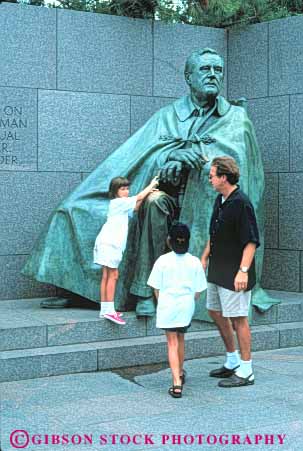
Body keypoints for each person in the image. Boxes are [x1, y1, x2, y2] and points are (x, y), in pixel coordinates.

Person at [23, 48, 278, 320]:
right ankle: (103, 290)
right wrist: (169, 156)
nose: (213, 75)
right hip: (163, 192)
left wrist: (199, 160)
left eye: (218, 70)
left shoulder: (235, 117)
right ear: (188, 77)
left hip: (204, 199)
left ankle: (144, 292)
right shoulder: (168, 115)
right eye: (205, 70)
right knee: (76, 209)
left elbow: (239, 162)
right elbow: (138, 153)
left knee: (153, 205)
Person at [201, 156, 260, 387]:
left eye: (212, 176)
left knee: (238, 319)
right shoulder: (221, 200)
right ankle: (232, 359)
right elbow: (213, 234)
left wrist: (243, 271)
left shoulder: (241, 203)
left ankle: (247, 370)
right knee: (215, 312)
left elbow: (251, 241)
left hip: (235, 272)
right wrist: (204, 258)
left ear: (223, 177)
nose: (210, 180)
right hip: (218, 269)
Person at [147, 223, 207, 398]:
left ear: (169, 241)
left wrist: (163, 301)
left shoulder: (162, 261)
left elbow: (156, 287)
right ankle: (180, 371)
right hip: (186, 305)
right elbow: (199, 290)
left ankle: (176, 383)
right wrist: (189, 300)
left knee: (171, 342)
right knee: (181, 338)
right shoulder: (195, 261)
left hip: (167, 305)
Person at [94, 175, 158, 325]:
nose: (126, 191)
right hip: (111, 244)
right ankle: (110, 311)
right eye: (122, 189)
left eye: (127, 188)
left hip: (106, 243)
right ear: (115, 191)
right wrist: (151, 185)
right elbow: (138, 197)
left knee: (106, 275)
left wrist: (147, 194)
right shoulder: (119, 202)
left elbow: (135, 207)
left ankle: (105, 309)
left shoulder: (120, 204)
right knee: (113, 275)